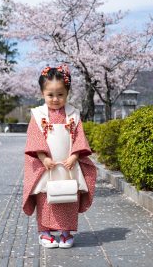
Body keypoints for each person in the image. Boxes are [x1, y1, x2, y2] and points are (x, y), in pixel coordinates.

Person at [22, 64, 97, 249]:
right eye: (50, 95)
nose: (55, 99)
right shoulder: (38, 115)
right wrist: (42, 157)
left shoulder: (73, 115)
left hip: (68, 163)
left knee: (69, 195)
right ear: (42, 93)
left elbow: (79, 137)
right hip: (47, 163)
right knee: (45, 197)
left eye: (60, 94)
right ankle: (45, 232)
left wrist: (75, 156)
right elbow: (34, 137)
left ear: (67, 92)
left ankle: (66, 232)